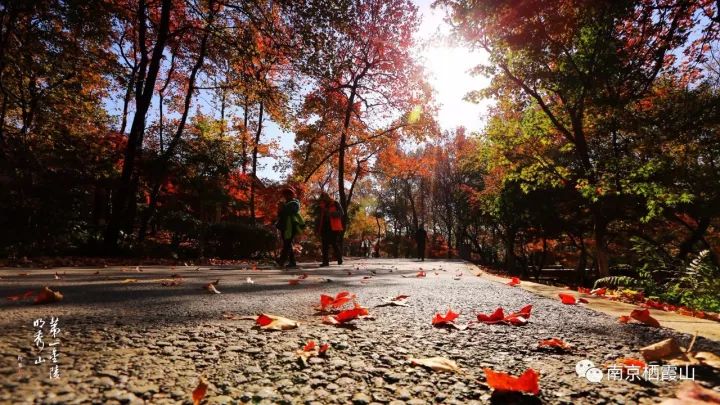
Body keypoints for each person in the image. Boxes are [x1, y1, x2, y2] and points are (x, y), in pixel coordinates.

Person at [276, 187, 304, 268]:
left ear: (292, 194)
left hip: (291, 226)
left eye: (288, 194)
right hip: (284, 226)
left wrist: (283, 208)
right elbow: (280, 215)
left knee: (287, 243)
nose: (286, 196)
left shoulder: (295, 202)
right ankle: (291, 261)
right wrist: (279, 209)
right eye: (285, 195)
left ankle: (282, 260)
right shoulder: (285, 203)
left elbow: (292, 211)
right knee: (287, 244)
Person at [317, 192, 344, 266]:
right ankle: (325, 262)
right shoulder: (322, 205)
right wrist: (318, 228)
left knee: (334, 243)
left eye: (324, 198)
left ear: (327, 197)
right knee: (324, 245)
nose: (323, 200)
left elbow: (341, 213)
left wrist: (331, 214)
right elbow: (319, 218)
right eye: (322, 199)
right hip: (324, 227)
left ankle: (339, 258)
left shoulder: (335, 203)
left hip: (334, 227)